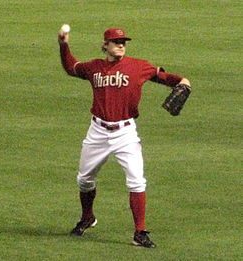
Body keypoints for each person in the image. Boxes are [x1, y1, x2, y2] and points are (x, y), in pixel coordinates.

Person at [58, 27, 190, 248]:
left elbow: (162, 76)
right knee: (84, 180)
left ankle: (140, 232)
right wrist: (63, 45)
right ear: (105, 45)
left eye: (123, 42)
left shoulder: (138, 66)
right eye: (116, 41)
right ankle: (87, 217)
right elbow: (71, 67)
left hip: (125, 133)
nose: (121, 45)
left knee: (137, 180)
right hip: (97, 131)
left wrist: (182, 80)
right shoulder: (94, 68)